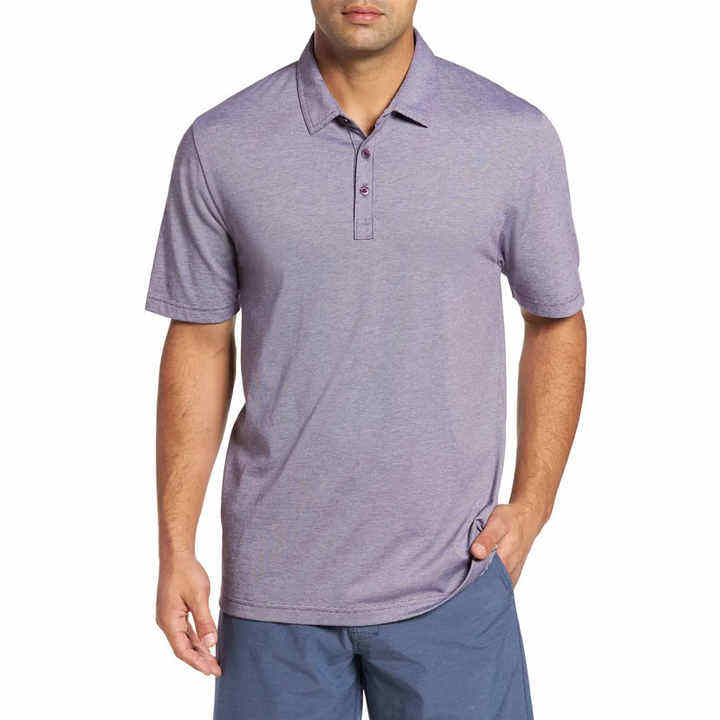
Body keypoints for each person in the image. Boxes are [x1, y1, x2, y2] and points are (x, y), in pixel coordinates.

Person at [146, 1, 587, 717]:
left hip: (455, 580)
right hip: (274, 590)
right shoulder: (222, 143)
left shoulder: (513, 136)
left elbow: (556, 321)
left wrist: (533, 506)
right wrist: (175, 547)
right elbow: (199, 339)